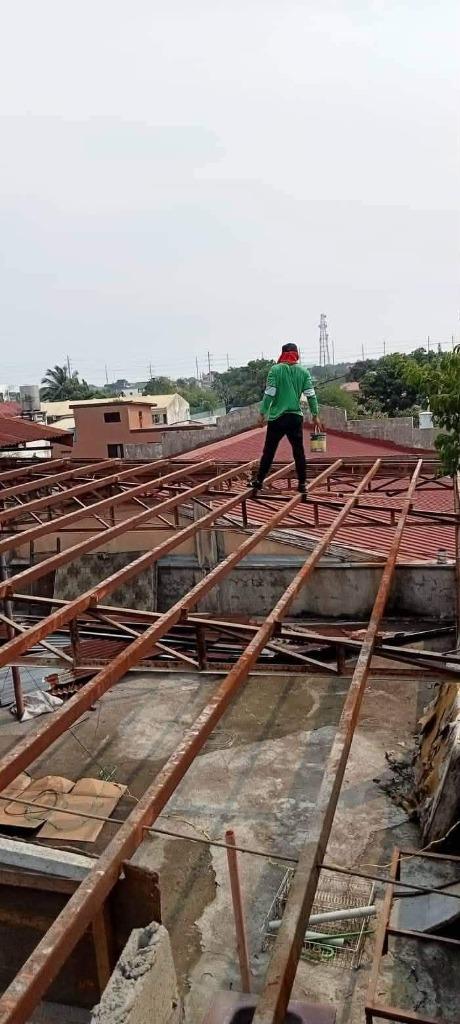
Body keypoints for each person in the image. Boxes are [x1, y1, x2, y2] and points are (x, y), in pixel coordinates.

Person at [251, 343, 322, 496]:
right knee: (298, 451)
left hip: (277, 418)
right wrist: (315, 415)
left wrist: (262, 414)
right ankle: (302, 484)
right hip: (295, 417)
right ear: (296, 354)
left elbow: (269, 394)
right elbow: (311, 395)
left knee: (269, 452)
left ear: (282, 354)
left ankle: (259, 481)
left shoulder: (275, 370)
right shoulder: (303, 372)